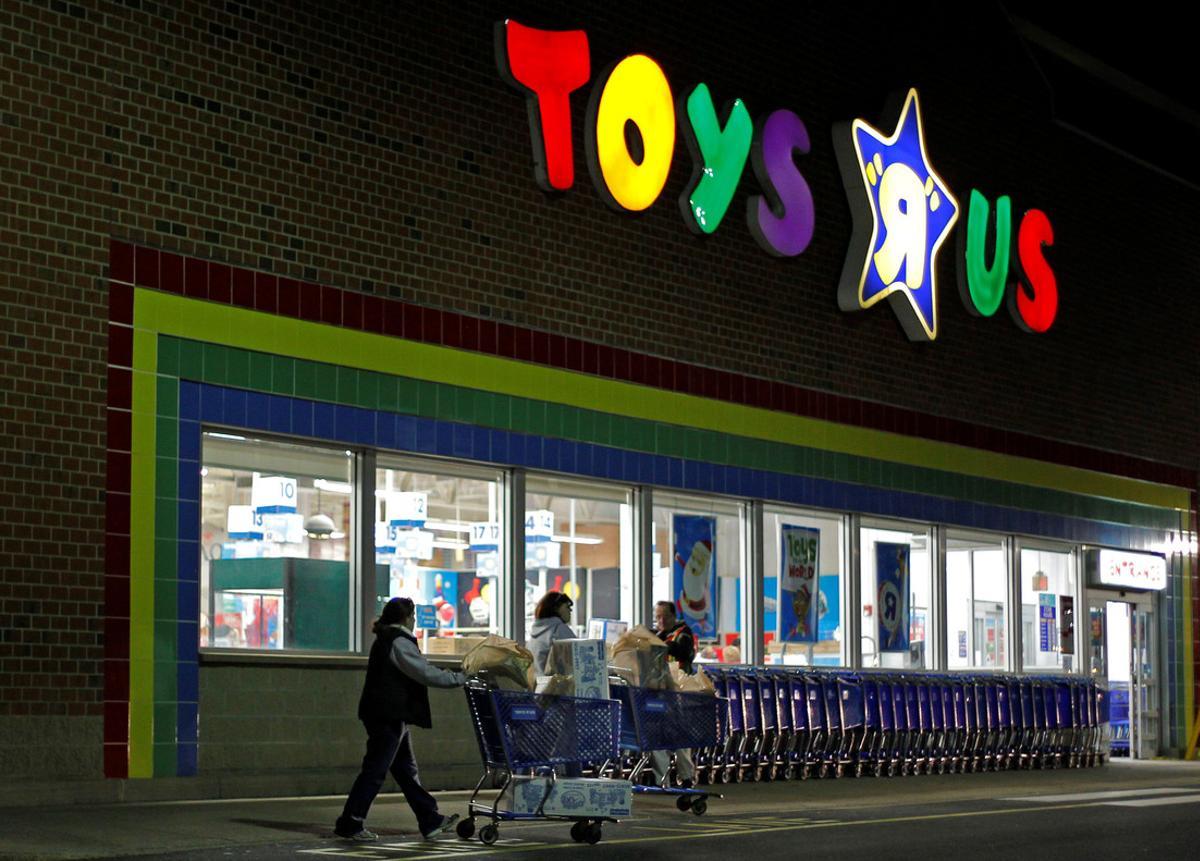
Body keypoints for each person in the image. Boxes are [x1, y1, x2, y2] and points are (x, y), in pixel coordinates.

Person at [334, 597, 465, 842]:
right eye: (413, 616)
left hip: (388, 714)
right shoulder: (398, 642)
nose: (414, 620)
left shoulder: (386, 639)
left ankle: (430, 818)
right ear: (406, 617)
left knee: (406, 771)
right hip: (389, 715)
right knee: (375, 770)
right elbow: (423, 671)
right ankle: (351, 822)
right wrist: (459, 678)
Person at [650, 600, 697, 788]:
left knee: (680, 736)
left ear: (673, 616)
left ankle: (686, 777)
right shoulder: (656, 634)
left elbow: (684, 652)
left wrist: (658, 644)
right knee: (655, 737)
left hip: (678, 693)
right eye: (658, 617)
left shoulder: (682, 633)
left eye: (665, 616)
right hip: (658, 694)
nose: (661, 620)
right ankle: (661, 780)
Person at [527, 590, 575, 674]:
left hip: (536, 684)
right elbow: (578, 659)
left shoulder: (536, 631)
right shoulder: (558, 630)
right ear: (556, 608)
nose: (570, 611)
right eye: (567, 607)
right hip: (554, 685)